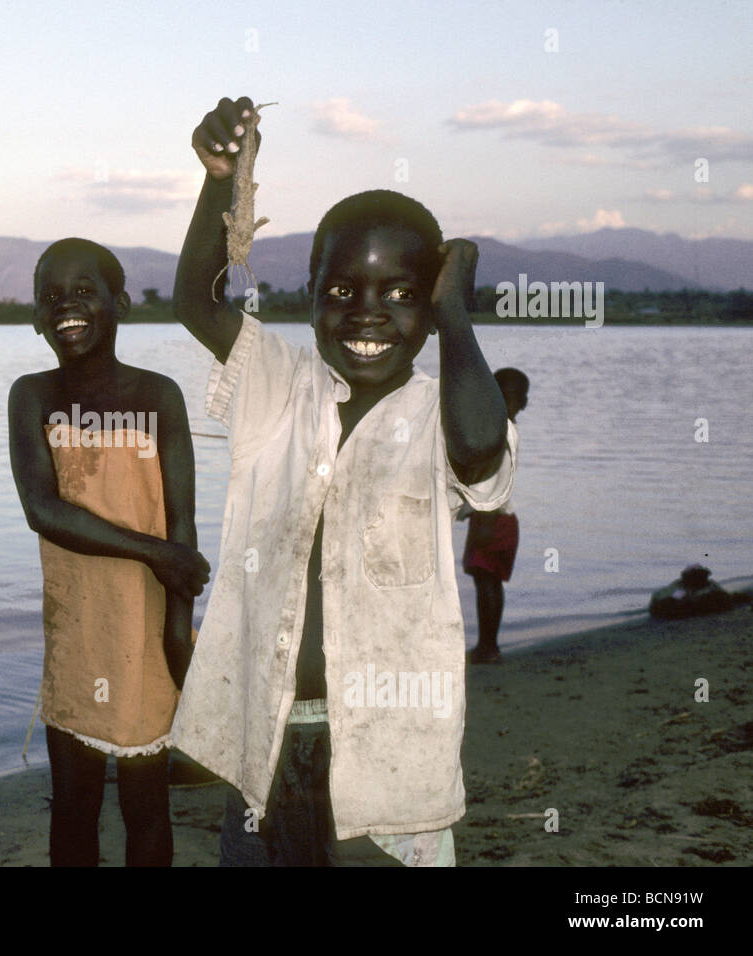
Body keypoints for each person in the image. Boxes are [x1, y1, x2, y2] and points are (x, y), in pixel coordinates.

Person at [168, 97, 517, 866]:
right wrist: (221, 180)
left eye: (401, 294)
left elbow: (485, 446)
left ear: (428, 309)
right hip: (264, 740)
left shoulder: (441, 415)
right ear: (312, 295)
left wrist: (456, 308)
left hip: (389, 759)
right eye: (342, 291)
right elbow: (196, 298)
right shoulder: (276, 388)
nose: (367, 314)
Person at [8, 238, 209, 866]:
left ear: (120, 302)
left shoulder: (159, 395)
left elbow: (184, 526)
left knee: (147, 808)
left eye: (84, 291)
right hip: (77, 631)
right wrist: (156, 554)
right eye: (51, 296)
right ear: (38, 318)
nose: (67, 305)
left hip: (146, 632)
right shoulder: (33, 396)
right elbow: (44, 511)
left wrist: (180, 631)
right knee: (74, 805)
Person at [460, 368, 528, 663]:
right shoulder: (504, 429)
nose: (505, 402)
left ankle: (488, 647)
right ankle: (489, 645)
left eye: (510, 398)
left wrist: (483, 523)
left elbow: (493, 480)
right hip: (498, 516)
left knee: (485, 579)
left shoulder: (497, 431)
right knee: (488, 579)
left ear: (522, 403)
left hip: (493, 516)